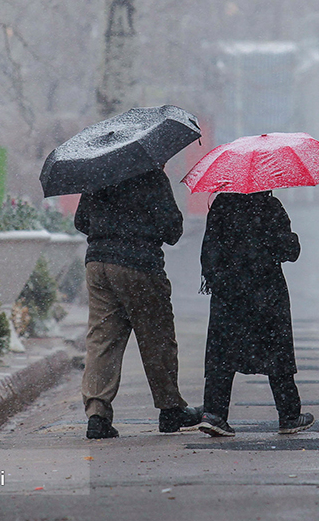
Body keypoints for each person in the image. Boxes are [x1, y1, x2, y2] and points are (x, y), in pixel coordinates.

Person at [75, 168, 201, 439]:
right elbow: (172, 230)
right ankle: (170, 410)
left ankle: (97, 414)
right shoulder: (152, 176)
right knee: (156, 337)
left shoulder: (98, 172)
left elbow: (81, 221)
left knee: (102, 339)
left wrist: (108, 226)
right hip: (138, 265)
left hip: (98, 263)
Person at [196, 191, 314, 437]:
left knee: (222, 355)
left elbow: (209, 250)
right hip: (266, 294)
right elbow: (290, 251)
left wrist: (219, 282)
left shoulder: (221, 206)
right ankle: (289, 415)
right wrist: (286, 238)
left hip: (229, 294)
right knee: (277, 354)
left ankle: (214, 414)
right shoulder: (269, 206)